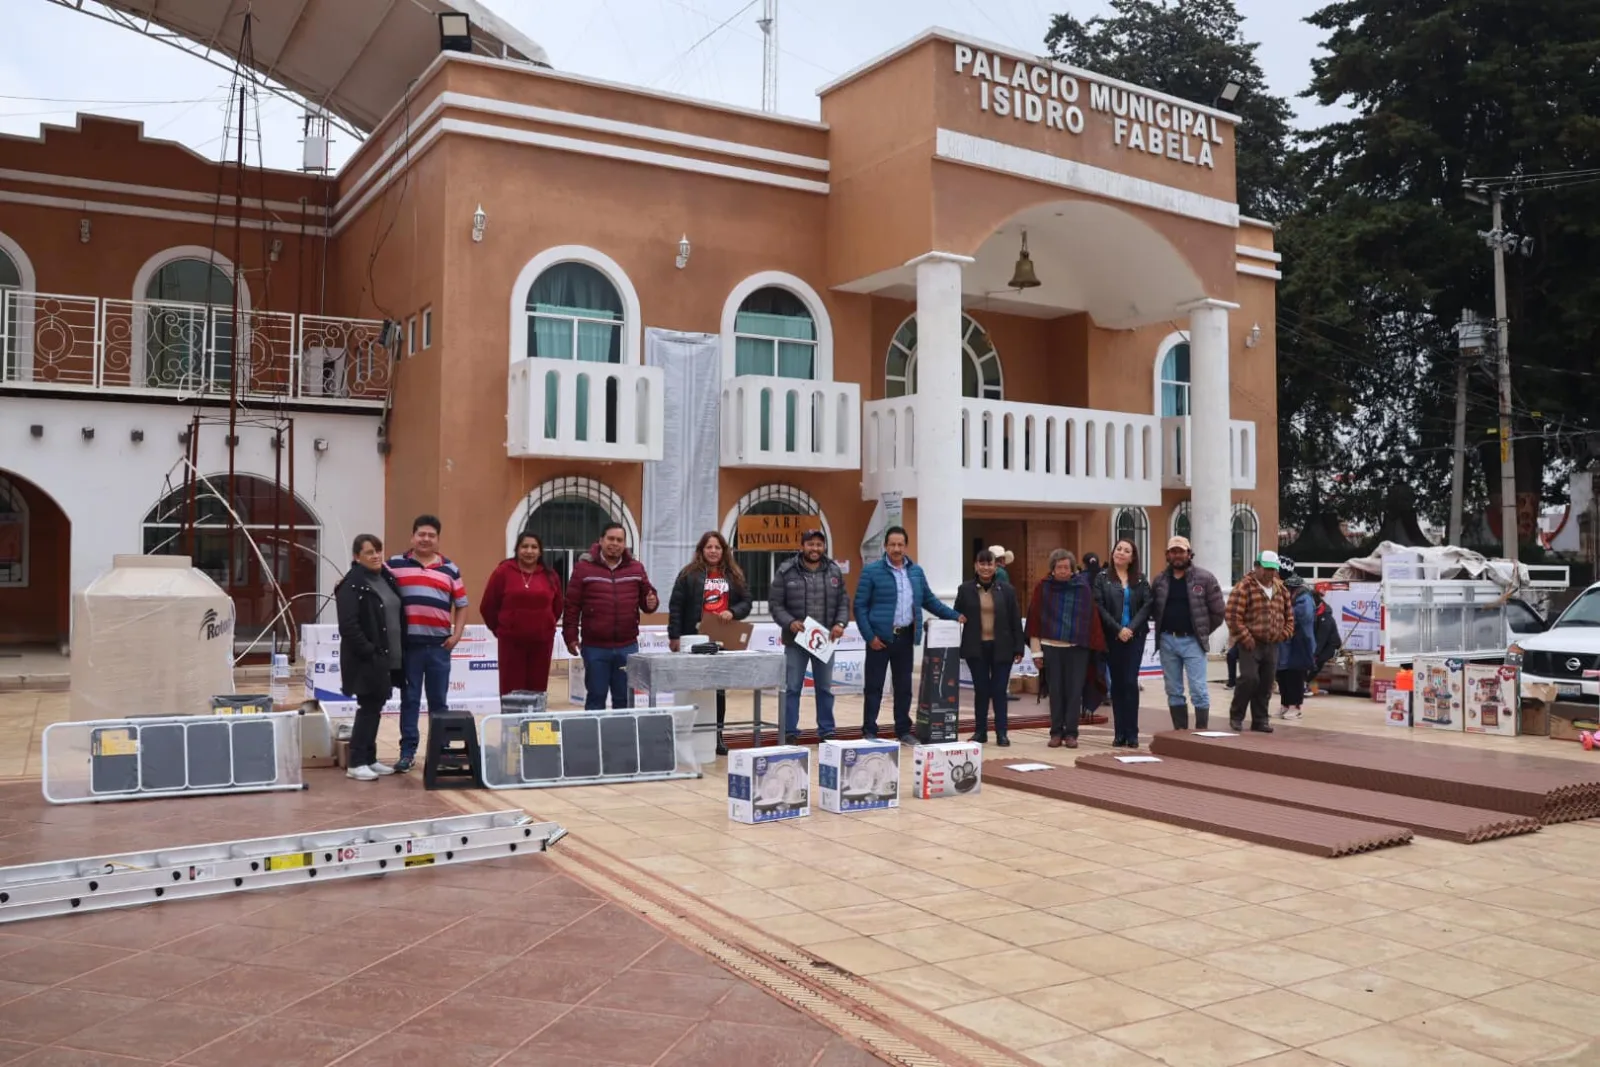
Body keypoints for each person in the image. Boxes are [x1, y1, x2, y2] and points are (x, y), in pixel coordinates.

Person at [854, 526, 963, 744]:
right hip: (879, 639)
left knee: (903, 688)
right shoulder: (871, 571)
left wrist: (954, 615)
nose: (896, 548)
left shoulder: (916, 572)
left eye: (900, 544)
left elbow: (929, 600)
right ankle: (869, 731)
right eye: (892, 544)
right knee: (874, 687)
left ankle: (903, 730)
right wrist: (870, 637)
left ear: (906, 546)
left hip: (905, 638)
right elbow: (859, 606)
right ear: (885, 546)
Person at [387, 514, 468, 773]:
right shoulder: (395, 564)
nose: (426, 539)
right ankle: (407, 752)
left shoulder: (450, 569)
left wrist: (456, 635)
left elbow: (462, 605)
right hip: (409, 647)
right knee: (409, 700)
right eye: (421, 534)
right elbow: (372, 582)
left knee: (438, 702)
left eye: (431, 535)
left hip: (438, 647)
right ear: (412, 537)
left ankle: (440, 753)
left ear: (438, 539)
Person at [667, 531, 753, 754]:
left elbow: (747, 602)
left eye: (717, 547)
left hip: (721, 641)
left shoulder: (734, 575)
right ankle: (687, 736)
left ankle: (717, 737)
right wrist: (674, 636)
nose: (713, 551)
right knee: (692, 688)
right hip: (693, 639)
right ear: (701, 550)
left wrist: (733, 612)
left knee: (718, 691)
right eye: (709, 547)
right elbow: (676, 606)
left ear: (724, 550)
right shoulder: (688, 575)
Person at [562, 522, 659, 710]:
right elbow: (572, 605)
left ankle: (621, 739)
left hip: (627, 647)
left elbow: (647, 600)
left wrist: (651, 603)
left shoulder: (636, 569)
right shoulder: (584, 569)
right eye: (611, 539)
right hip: (595, 648)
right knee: (596, 697)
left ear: (624, 544)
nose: (615, 543)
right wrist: (570, 637)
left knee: (624, 699)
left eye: (619, 540)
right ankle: (594, 739)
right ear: (601, 540)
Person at [768, 529, 849, 746]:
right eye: (810, 544)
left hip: (824, 640)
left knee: (824, 688)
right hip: (796, 640)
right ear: (802, 546)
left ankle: (827, 731)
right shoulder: (786, 570)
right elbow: (775, 604)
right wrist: (790, 622)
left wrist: (840, 624)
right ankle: (790, 732)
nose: (815, 549)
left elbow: (843, 602)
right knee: (793, 687)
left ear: (824, 547)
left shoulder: (834, 571)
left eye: (819, 545)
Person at [335, 534, 403, 782]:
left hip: (387, 657)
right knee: (368, 707)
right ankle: (356, 761)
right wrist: (369, 651)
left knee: (376, 707)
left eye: (378, 551)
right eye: (369, 552)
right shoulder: (352, 584)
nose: (376, 556)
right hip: (366, 660)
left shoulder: (384, 578)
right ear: (357, 557)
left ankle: (370, 758)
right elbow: (349, 626)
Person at [1025, 550, 1105, 749]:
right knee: (1056, 691)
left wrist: (1091, 649)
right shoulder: (1042, 588)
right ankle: (1055, 732)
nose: (1062, 571)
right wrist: (1036, 653)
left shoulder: (1082, 588)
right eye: (1058, 567)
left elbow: (1091, 621)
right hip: (1051, 648)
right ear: (1052, 569)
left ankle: (1071, 733)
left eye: (1066, 567)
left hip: (1078, 649)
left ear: (1072, 569)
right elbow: (1034, 622)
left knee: (1074, 691)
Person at [1149, 535, 1227, 730]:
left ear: (1189, 554)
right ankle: (1180, 732)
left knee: (1199, 690)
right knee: (1173, 690)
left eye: (1181, 551)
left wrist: (1201, 631)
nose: (1177, 555)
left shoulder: (1205, 578)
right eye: (1173, 551)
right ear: (1167, 555)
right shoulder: (1159, 581)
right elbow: (1151, 609)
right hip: (1167, 640)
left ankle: (1202, 732)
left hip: (1193, 641)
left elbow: (1218, 611)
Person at [480, 532, 563, 697]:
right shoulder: (503, 572)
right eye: (524, 546)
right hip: (511, 643)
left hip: (541, 643)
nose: (529, 551)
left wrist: (546, 626)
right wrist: (503, 629)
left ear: (540, 552)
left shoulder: (550, 575)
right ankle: (512, 723)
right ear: (517, 549)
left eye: (534, 547)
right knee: (512, 690)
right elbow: (488, 606)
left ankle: (534, 723)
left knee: (537, 690)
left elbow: (557, 606)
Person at [955, 549, 1024, 746]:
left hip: (1002, 647)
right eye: (982, 564)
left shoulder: (1007, 590)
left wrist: (1019, 647)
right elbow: (956, 613)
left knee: (999, 690)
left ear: (995, 566)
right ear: (976, 566)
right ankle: (980, 732)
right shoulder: (965, 589)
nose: (986, 568)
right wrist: (956, 617)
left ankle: (1002, 733)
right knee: (982, 690)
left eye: (989, 564)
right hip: (976, 648)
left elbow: (1015, 620)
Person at [1226, 550, 1296, 732]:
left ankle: (1260, 720)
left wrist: (1284, 634)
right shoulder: (1244, 587)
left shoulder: (1282, 589)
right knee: (1249, 678)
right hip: (1251, 643)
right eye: (1266, 569)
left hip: (1272, 644)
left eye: (1273, 569)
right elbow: (1233, 617)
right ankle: (1236, 716)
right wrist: (1245, 637)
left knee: (1266, 683)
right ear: (1256, 567)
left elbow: (1289, 617)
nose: (1269, 573)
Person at [1095, 538, 1153, 748]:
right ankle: (1120, 732)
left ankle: (1133, 732)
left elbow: (1147, 605)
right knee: (1117, 685)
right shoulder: (1103, 578)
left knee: (1130, 682)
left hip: (1134, 637)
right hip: (1113, 637)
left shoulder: (1140, 579)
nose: (1120, 552)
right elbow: (1099, 606)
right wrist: (1118, 629)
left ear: (1132, 557)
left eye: (1126, 551)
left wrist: (1130, 629)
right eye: (1118, 549)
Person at [1274, 558, 1318, 721]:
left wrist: (1280, 616)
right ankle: (1285, 704)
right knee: (1282, 674)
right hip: (1282, 642)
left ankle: (1295, 706)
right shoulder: (1279, 589)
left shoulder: (1301, 593)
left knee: (1295, 674)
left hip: (1298, 643)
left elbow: (1304, 616)